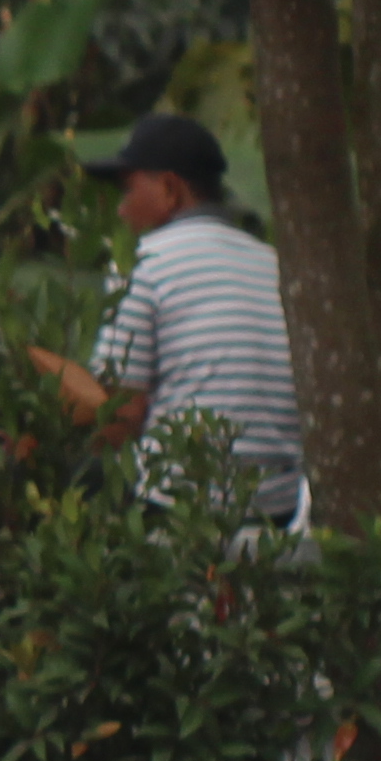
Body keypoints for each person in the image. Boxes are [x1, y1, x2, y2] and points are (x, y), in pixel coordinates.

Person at [47, 109, 302, 512]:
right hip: (280, 509)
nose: (121, 210)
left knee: (73, 483)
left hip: (184, 514)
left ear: (169, 189)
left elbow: (122, 415)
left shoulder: (144, 263)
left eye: (128, 191)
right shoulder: (277, 265)